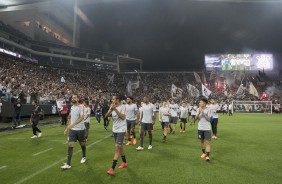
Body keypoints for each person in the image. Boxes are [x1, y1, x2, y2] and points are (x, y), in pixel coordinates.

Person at [61, 94, 86, 170]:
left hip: (81, 129)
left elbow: (82, 117)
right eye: (72, 97)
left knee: (82, 144)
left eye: (75, 97)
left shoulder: (81, 106)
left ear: (78, 99)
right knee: (70, 145)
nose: (73, 98)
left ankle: (84, 156)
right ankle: (68, 164)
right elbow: (71, 119)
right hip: (73, 130)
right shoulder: (72, 107)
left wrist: (73, 124)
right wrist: (67, 129)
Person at [105, 95, 127, 175]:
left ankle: (112, 168)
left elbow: (123, 117)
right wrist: (111, 110)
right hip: (115, 130)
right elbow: (105, 117)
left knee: (117, 147)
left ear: (118, 100)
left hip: (121, 129)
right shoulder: (112, 106)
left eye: (113, 99)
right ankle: (124, 162)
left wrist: (115, 110)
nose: (112, 100)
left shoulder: (123, 107)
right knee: (120, 147)